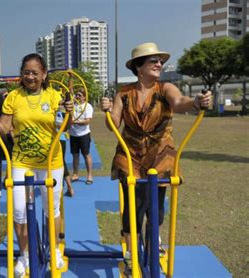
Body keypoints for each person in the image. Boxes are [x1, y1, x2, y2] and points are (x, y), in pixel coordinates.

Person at [100, 42, 213, 274]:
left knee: (156, 210)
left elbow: (179, 102)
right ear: (139, 67)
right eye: (153, 61)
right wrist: (107, 110)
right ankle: (132, 253)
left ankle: (153, 245)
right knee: (134, 209)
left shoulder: (166, 88)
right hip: (130, 154)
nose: (159, 64)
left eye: (160, 61)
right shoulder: (124, 93)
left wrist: (196, 102)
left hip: (160, 153)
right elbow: (113, 124)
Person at [0, 53, 73, 277]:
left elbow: (65, 126)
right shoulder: (13, 97)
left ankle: (54, 251)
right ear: (21, 75)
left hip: (51, 162)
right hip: (22, 161)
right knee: (19, 211)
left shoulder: (54, 95)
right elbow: (4, 128)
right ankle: (24, 254)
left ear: (43, 75)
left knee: (51, 209)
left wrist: (69, 111)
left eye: (34, 72)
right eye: (26, 72)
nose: (30, 76)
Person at [69, 89, 94, 184]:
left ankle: (89, 175)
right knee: (75, 155)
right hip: (73, 134)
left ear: (84, 97)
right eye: (77, 95)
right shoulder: (73, 105)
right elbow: (70, 90)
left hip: (84, 135)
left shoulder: (88, 106)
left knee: (86, 155)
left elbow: (87, 121)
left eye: (79, 95)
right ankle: (75, 174)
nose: (77, 97)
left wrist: (74, 122)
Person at [56, 107, 74, 197]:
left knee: (61, 162)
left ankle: (69, 187)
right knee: (61, 162)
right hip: (60, 139)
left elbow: (63, 125)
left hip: (58, 139)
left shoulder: (60, 112)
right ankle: (66, 186)